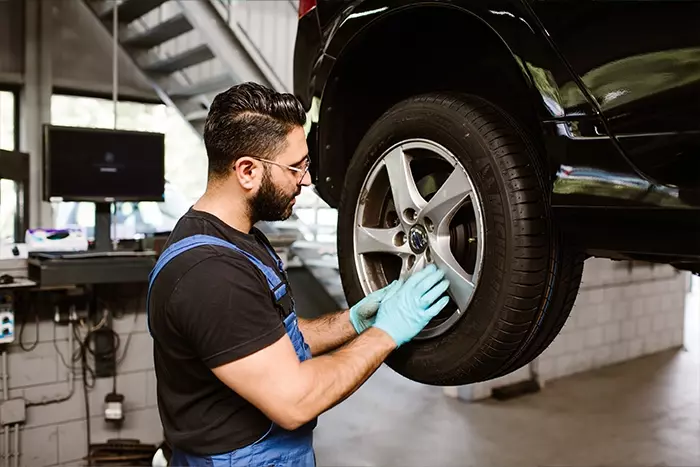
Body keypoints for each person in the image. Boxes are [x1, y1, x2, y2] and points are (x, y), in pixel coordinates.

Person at [146, 82, 451, 466]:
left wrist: (355, 320)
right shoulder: (211, 275)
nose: (306, 180)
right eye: (296, 167)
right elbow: (295, 400)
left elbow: (268, 337)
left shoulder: (238, 240)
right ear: (247, 171)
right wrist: (384, 334)